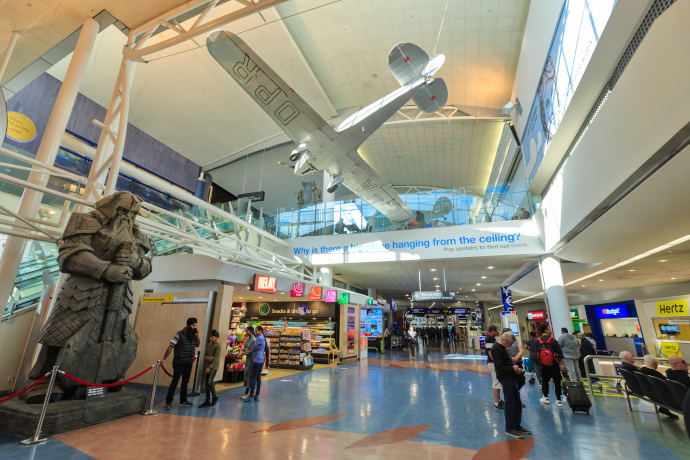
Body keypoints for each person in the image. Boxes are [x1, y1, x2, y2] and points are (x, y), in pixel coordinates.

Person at [492, 331, 531, 439]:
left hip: (511, 376)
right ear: (506, 341)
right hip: (505, 378)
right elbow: (499, 366)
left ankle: (517, 425)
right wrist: (512, 368)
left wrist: (514, 369)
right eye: (510, 343)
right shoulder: (496, 348)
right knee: (510, 403)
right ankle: (509, 428)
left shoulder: (502, 348)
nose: (510, 346)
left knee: (517, 402)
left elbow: (505, 361)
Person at [163, 317, 201, 410]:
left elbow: (197, 344)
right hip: (179, 362)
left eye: (195, 325)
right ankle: (168, 402)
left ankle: (183, 400)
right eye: (193, 325)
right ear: (188, 325)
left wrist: (197, 335)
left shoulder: (193, 335)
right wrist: (165, 358)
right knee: (175, 382)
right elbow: (171, 346)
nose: (194, 327)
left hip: (189, 363)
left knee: (185, 382)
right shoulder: (179, 334)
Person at [638, 355, 679, 419]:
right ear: (654, 363)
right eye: (657, 363)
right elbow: (667, 382)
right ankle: (664, 408)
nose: (657, 365)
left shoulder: (642, 370)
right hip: (657, 394)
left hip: (646, 391)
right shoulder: (655, 374)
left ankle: (664, 408)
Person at [537, 323, 566, 406]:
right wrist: (562, 364)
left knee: (545, 381)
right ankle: (558, 400)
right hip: (554, 364)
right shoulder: (553, 340)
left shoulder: (538, 340)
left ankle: (545, 397)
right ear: (545, 330)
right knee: (557, 381)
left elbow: (537, 354)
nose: (550, 329)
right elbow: (560, 353)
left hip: (544, 365)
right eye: (548, 328)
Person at [243, 325, 265, 402]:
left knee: (253, 377)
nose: (256, 332)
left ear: (261, 331)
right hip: (261, 359)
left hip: (257, 359)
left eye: (257, 331)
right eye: (255, 331)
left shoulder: (259, 338)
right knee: (258, 377)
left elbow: (252, 348)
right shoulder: (262, 338)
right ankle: (257, 395)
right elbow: (254, 348)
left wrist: (253, 349)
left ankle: (251, 396)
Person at [199, 329, 221, 408]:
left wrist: (210, 367)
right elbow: (205, 355)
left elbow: (216, 358)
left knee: (209, 382)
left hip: (214, 366)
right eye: (210, 337)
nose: (210, 338)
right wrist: (208, 358)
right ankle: (207, 400)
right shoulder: (209, 345)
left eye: (212, 337)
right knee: (207, 384)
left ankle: (215, 396)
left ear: (216, 338)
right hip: (208, 366)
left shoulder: (218, 345)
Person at [503, 328, 526, 402]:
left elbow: (521, 351)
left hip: (518, 363)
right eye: (510, 333)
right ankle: (513, 399)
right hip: (508, 365)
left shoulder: (517, 342)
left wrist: (516, 358)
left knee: (521, 380)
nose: (512, 334)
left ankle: (514, 393)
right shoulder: (503, 344)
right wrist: (510, 359)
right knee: (510, 382)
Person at [485, 325, 504, 410]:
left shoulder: (491, 339)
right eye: (496, 331)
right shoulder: (489, 339)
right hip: (493, 363)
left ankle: (499, 400)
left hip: (494, 363)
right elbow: (490, 353)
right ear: (492, 331)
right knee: (496, 382)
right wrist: (497, 362)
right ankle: (496, 403)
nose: (498, 332)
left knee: (497, 381)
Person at [241, 326, 256, 399]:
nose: (246, 332)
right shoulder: (248, 339)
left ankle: (247, 392)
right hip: (248, 359)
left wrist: (245, 351)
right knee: (246, 374)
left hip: (252, 360)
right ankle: (249, 390)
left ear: (251, 331)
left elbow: (251, 351)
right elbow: (245, 348)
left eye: (247, 331)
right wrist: (245, 350)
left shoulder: (254, 340)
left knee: (250, 375)